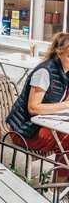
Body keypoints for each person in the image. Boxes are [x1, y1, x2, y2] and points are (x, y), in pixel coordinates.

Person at [6, 32, 69, 180]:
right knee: (66, 141)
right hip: (24, 131)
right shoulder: (44, 72)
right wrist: (65, 105)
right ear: (59, 53)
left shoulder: (65, 72)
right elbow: (33, 108)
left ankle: (59, 186)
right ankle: (58, 188)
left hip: (41, 126)